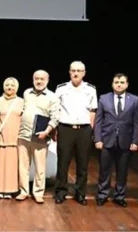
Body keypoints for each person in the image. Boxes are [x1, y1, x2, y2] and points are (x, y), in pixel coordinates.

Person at [54, 61, 97, 205]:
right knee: (63, 163)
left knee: (83, 164)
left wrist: (90, 129)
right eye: (73, 70)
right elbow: (56, 110)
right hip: (65, 128)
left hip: (83, 130)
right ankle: (61, 192)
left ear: (84, 73)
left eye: (79, 70)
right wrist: (55, 129)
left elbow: (92, 111)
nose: (76, 73)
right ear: (69, 72)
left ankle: (80, 193)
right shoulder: (61, 89)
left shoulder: (90, 89)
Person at [94, 73, 138, 207]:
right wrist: (98, 139)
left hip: (125, 141)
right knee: (104, 170)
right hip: (107, 139)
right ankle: (102, 194)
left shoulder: (135, 100)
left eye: (121, 82)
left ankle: (119, 196)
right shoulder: (103, 98)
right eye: (116, 82)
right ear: (112, 84)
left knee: (122, 170)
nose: (119, 84)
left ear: (127, 84)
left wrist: (135, 141)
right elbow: (98, 121)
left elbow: (137, 122)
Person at [15, 70, 59, 204]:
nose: (39, 81)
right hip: (23, 135)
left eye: (42, 79)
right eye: (36, 79)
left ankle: (38, 193)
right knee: (23, 166)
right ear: (33, 79)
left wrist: (47, 131)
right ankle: (23, 191)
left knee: (40, 168)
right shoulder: (27, 93)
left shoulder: (52, 97)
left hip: (41, 136)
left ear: (47, 80)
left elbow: (55, 117)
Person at [0, 77, 23, 198]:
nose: (9, 87)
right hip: (1, 138)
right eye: (7, 85)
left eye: (12, 86)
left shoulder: (21, 102)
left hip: (15, 138)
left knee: (12, 165)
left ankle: (10, 190)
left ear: (16, 87)